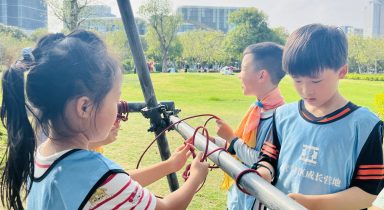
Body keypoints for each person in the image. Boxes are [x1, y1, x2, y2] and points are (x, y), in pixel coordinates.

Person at [0, 30, 209, 210]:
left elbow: (110, 185)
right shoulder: (95, 173)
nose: (118, 105)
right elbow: (166, 208)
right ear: (84, 107)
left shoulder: (42, 156)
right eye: (115, 97)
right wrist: (195, 178)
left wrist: (169, 165)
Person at [255, 24, 384, 210]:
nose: (306, 90)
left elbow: (368, 192)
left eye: (316, 80)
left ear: (341, 71)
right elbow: (268, 159)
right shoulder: (283, 116)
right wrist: (263, 173)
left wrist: (309, 204)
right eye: (297, 80)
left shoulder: (365, 125)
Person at [213, 42, 286, 210]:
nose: (239, 75)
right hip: (239, 196)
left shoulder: (280, 117)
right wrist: (216, 141)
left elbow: (263, 162)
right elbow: (242, 148)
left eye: (243, 68)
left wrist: (232, 139)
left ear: (261, 75)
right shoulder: (256, 109)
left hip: (255, 202)